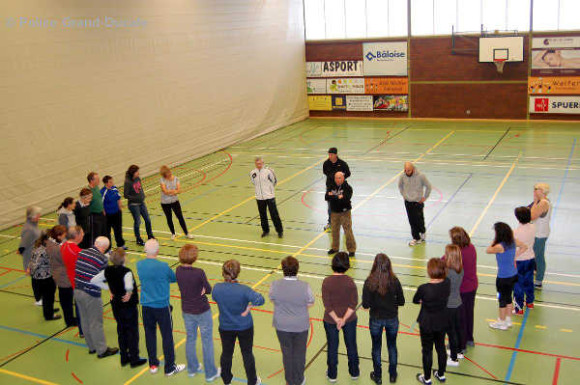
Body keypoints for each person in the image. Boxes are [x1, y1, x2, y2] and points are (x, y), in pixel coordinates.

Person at [90, 248, 147, 368]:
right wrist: (129, 293)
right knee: (132, 332)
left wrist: (108, 289)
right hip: (128, 306)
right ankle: (134, 358)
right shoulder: (126, 271)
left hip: (116, 305)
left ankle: (124, 357)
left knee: (121, 330)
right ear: (123, 258)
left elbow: (94, 280)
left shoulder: (108, 270)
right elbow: (128, 286)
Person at [136, 239, 185, 376]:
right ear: (157, 251)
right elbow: (173, 278)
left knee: (149, 334)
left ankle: (153, 364)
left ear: (145, 250)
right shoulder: (163, 266)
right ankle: (169, 367)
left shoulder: (139, 265)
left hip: (146, 306)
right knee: (167, 336)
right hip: (162, 307)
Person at [212, 260, 265, 385]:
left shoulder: (217, 288)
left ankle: (226, 379)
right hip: (244, 327)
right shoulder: (244, 290)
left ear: (223, 273)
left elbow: (215, 298)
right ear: (238, 272)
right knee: (247, 354)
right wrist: (249, 307)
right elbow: (260, 299)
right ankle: (252, 381)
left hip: (225, 327)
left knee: (226, 352)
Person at [175, 244, 220, 381]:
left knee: (190, 338)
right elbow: (208, 289)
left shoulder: (178, 270)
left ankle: (192, 368)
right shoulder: (199, 272)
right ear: (194, 257)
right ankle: (211, 373)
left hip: (187, 310)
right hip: (202, 310)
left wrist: (202, 289)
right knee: (207, 340)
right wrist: (204, 290)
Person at [269, 256, 315, 385]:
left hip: (282, 326)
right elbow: (311, 302)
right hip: (300, 326)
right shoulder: (305, 286)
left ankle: (289, 380)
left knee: (287, 352)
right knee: (299, 353)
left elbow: (273, 300)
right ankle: (299, 379)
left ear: (283, 269)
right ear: (297, 269)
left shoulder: (275, 285)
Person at [362, 253, 405, 384]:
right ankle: (392, 375)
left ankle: (378, 375)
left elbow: (365, 304)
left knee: (376, 347)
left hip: (376, 319)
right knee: (392, 346)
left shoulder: (369, 282)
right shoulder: (395, 281)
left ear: (375, 265)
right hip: (392, 318)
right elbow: (402, 301)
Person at [74, 236, 118, 358]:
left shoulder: (82, 252)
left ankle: (92, 347)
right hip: (91, 294)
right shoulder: (102, 258)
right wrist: (110, 289)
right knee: (96, 323)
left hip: (78, 290)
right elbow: (105, 277)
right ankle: (102, 350)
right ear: (104, 248)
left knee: (84, 320)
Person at [322, 252, 360, 383]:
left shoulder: (326, 282)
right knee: (351, 345)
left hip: (330, 320)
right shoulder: (350, 282)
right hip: (349, 320)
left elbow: (327, 305)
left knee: (332, 346)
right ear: (347, 266)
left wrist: (337, 319)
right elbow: (353, 303)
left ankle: (332, 375)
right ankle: (354, 372)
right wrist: (343, 319)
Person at [413, 258, 450, 385]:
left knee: (427, 350)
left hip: (427, 323)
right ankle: (441, 374)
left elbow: (415, 300)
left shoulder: (424, 288)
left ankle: (427, 378)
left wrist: (423, 301)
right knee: (440, 348)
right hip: (442, 321)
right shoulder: (447, 283)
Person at [486, 222, 527, 331]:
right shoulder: (513, 241)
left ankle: (501, 322)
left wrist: (495, 240)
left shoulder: (499, 246)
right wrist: (515, 256)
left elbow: (488, 250)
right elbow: (524, 246)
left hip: (503, 278)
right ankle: (508, 320)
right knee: (508, 298)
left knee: (501, 300)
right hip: (513, 275)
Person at [449, 227, 477, 351]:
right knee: (469, 313)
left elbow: (445, 262)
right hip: (472, 286)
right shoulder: (471, 247)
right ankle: (469, 338)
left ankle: (461, 345)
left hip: (462, 289)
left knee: (460, 318)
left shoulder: (458, 253)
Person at [29, 231, 61, 321]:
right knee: (48, 296)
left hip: (39, 277)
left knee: (48, 296)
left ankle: (49, 309)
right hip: (45, 277)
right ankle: (49, 315)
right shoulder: (45, 250)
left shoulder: (37, 248)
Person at [47, 225, 75, 326]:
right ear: (59, 236)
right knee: (66, 299)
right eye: (64, 234)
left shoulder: (50, 242)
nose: (65, 235)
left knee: (65, 298)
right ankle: (69, 320)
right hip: (63, 276)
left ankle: (69, 318)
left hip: (58, 273)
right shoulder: (57, 249)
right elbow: (65, 260)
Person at [398, 162, 432, 246]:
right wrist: (404, 195)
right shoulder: (402, 176)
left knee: (419, 219)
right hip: (408, 202)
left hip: (418, 202)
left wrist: (425, 197)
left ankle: (422, 232)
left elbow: (428, 186)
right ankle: (416, 238)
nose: (407, 172)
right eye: (406, 170)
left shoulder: (421, 176)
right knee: (412, 220)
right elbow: (400, 186)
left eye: (409, 170)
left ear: (413, 169)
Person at [250, 157, 283, 238]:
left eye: (260, 163)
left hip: (269, 196)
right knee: (262, 215)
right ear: (255, 164)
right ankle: (265, 230)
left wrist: (269, 190)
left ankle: (279, 231)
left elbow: (274, 181)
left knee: (274, 214)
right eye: (257, 164)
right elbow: (254, 182)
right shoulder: (252, 173)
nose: (259, 165)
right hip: (259, 198)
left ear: (263, 163)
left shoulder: (269, 171)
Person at [442, 245, 464, 367]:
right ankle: (459, 351)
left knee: (451, 332)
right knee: (457, 328)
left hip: (449, 305)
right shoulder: (460, 268)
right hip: (457, 302)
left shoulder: (448, 272)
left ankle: (453, 358)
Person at [326, 172, 356, 257]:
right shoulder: (331, 186)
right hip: (334, 212)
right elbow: (326, 197)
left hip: (345, 212)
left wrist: (333, 196)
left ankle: (351, 249)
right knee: (334, 231)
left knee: (348, 231)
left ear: (343, 178)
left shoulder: (348, 188)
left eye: (339, 178)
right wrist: (338, 196)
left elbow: (345, 199)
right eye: (336, 178)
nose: (337, 180)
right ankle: (335, 248)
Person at [61, 226, 85, 335]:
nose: (83, 235)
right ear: (76, 236)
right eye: (82, 233)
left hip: (72, 280)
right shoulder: (76, 251)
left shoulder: (64, 245)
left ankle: (82, 330)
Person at [160, 165, 193, 240]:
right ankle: (173, 233)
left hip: (175, 201)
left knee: (180, 217)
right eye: (167, 173)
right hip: (165, 203)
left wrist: (172, 191)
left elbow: (179, 190)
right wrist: (173, 191)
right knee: (169, 218)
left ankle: (186, 233)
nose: (169, 173)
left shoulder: (176, 179)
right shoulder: (162, 180)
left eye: (169, 171)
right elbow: (165, 191)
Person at [513, 207, 536, 314]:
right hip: (531, 259)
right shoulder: (533, 227)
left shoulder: (516, 232)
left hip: (520, 261)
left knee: (518, 284)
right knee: (529, 281)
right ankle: (530, 302)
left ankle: (519, 308)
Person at [124, 165, 154, 246]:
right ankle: (138, 239)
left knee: (147, 220)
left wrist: (142, 195)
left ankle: (150, 236)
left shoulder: (138, 178)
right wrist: (135, 198)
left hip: (141, 203)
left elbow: (140, 188)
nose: (138, 173)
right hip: (134, 205)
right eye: (137, 171)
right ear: (133, 173)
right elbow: (125, 195)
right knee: (137, 222)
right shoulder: (127, 182)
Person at [18, 206, 42, 305]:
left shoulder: (33, 224)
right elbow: (23, 245)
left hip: (37, 254)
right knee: (35, 279)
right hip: (31, 256)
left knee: (38, 277)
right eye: (37, 215)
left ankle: (40, 297)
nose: (39, 216)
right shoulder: (28, 228)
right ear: (32, 216)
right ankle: (38, 299)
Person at [323, 148, 351, 230]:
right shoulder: (326, 163)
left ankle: (344, 223)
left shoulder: (342, 164)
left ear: (335, 154)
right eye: (329, 154)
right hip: (330, 188)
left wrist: (341, 178)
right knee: (330, 206)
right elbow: (325, 172)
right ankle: (330, 223)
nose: (330, 156)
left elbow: (348, 173)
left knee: (343, 205)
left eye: (331, 154)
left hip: (341, 188)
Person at [530, 183, 551, 289]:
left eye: (536, 189)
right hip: (540, 233)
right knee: (539, 257)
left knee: (534, 256)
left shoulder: (543, 203)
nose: (534, 191)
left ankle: (537, 280)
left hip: (540, 234)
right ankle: (538, 279)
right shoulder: (543, 201)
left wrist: (534, 202)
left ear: (542, 191)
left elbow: (532, 216)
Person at [101, 175, 126, 249]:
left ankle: (120, 245)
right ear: (106, 183)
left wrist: (120, 208)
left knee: (118, 229)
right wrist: (104, 214)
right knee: (107, 232)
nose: (112, 183)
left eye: (112, 181)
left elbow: (118, 198)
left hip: (117, 213)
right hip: (108, 215)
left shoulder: (114, 188)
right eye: (110, 182)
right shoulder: (103, 192)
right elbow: (101, 204)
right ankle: (108, 248)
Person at [87, 172, 106, 244]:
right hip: (94, 216)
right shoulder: (88, 191)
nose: (99, 180)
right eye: (97, 179)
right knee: (96, 234)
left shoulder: (97, 187)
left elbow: (99, 199)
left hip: (101, 214)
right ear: (91, 181)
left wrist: (103, 209)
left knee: (103, 231)